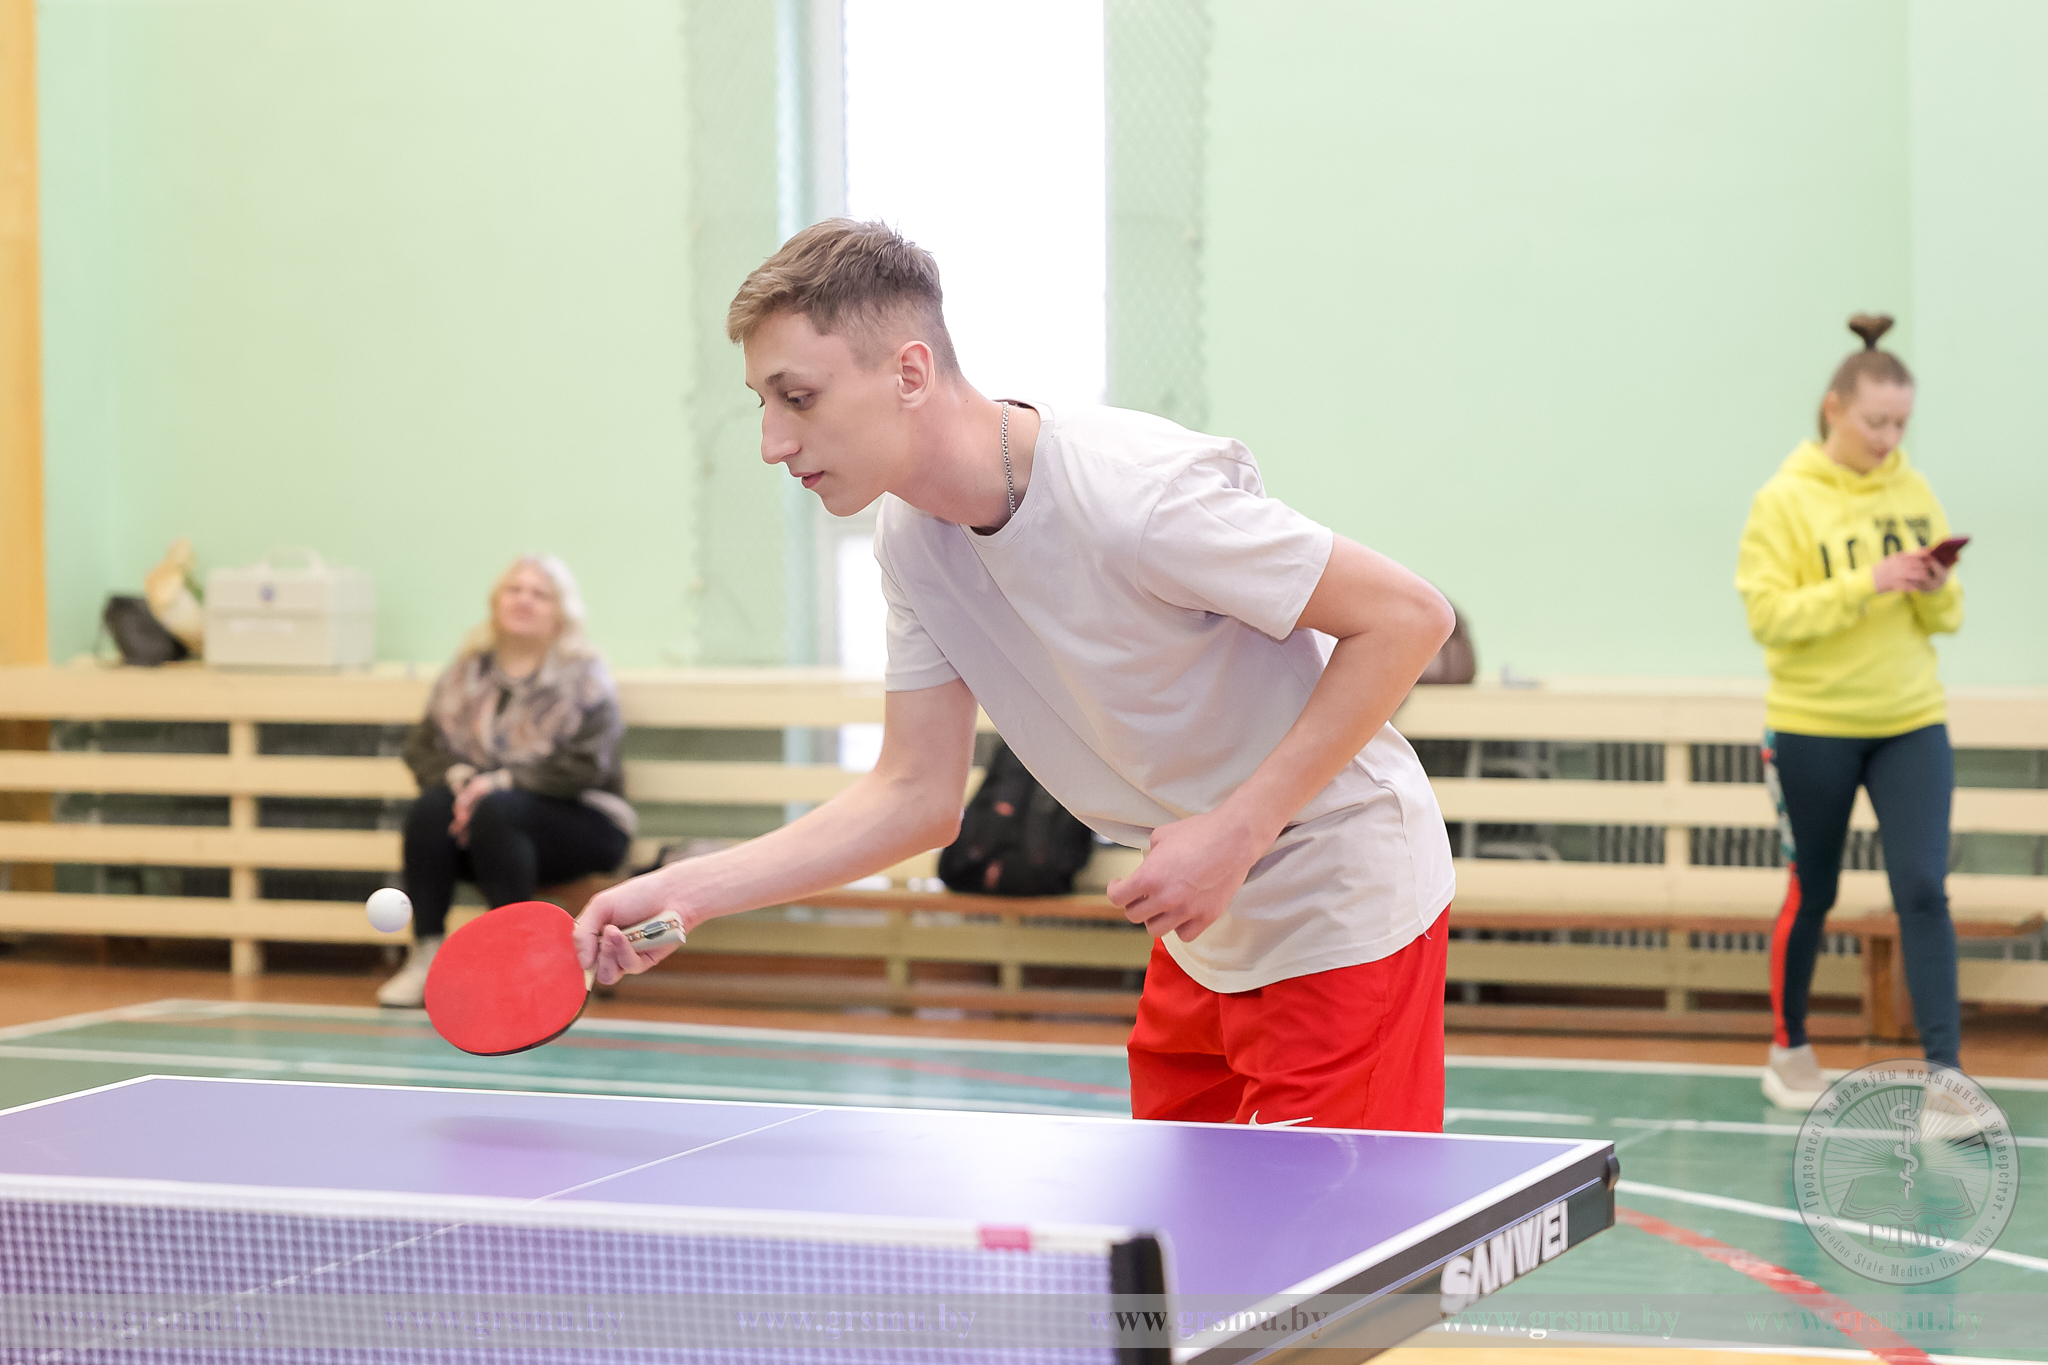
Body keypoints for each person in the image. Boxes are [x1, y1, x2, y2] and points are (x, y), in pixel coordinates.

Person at [577, 220, 1457, 1131]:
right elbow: (914, 794)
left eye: (797, 398)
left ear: (909, 373)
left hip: (1337, 895)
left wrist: (1236, 831)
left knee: (1331, 1226)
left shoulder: (1133, 493)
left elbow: (1408, 617)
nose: (770, 441)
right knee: (1190, 1217)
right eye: (764, 402)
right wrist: (689, 891)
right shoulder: (911, 541)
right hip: (1201, 920)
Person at [1736, 314, 1965, 1108]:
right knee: (1816, 887)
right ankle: (1789, 1047)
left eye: (1900, 423)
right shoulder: (1783, 499)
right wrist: (1866, 582)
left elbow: (1950, 617)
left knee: (1923, 887)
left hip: (1910, 719)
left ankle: (1947, 1079)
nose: (1888, 438)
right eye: (1875, 422)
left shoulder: (1913, 490)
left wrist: (1934, 585)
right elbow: (1769, 616)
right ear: (1835, 407)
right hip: (1814, 724)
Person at [377, 555, 635, 1007]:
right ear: (496, 602)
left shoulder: (584, 674)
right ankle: (426, 957)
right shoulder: (466, 671)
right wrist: (461, 780)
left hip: (581, 822)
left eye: (539, 594)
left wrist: (499, 783)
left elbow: (586, 767)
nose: (524, 600)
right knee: (432, 808)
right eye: (514, 590)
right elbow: (422, 748)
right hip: (481, 823)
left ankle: (512, 963)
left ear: (561, 611)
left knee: (499, 810)